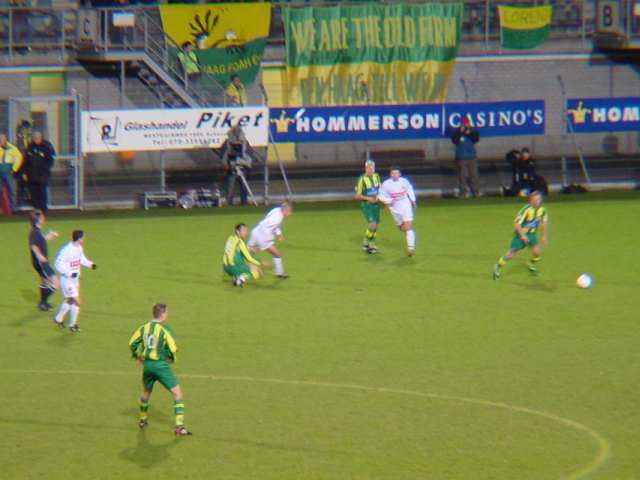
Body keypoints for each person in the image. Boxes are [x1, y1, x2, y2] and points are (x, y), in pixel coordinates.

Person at [128, 303, 192, 436]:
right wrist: (171, 359)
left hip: (147, 365)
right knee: (177, 393)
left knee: (146, 391)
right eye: (167, 313)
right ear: (162, 314)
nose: (167, 315)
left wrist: (137, 356)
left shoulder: (143, 328)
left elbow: (132, 343)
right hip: (160, 366)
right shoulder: (164, 330)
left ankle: (142, 420)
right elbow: (173, 348)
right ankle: (179, 427)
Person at [492, 191, 548, 280]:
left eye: (539, 199)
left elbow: (544, 222)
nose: (538, 201)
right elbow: (516, 223)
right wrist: (522, 235)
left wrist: (544, 236)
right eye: (536, 200)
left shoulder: (542, 210)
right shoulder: (526, 210)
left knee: (537, 253)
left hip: (532, 235)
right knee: (511, 254)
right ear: (531, 201)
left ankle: (531, 264)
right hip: (520, 234)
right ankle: (497, 267)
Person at [53, 230, 97, 332]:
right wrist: (68, 273)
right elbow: (57, 264)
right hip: (67, 280)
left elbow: (81, 259)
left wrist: (90, 264)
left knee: (70, 300)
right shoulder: (67, 250)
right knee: (77, 301)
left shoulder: (79, 248)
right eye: (83, 237)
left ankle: (58, 319)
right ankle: (72, 325)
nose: (84, 239)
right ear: (79, 239)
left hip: (75, 280)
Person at [377, 167, 417, 256]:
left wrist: (413, 201)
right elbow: (381, 196)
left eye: (396, 173)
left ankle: (410, 248)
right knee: (402, 228)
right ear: (390, 174)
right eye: (393, 173)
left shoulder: (404, 182)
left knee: (408, 226)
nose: (395, 175)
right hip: (394, 208)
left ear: (399, 174)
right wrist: (387, 202)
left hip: (406, 205)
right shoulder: (386, 184)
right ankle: (408, 234)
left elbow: (409, 190)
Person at [248, 202, 293, 278]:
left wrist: (278, 234)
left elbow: (269, 223)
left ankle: (239, 265)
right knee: (277, 254)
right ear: (285, 210)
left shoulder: (276, 210)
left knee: (248, 253)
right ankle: (279, 273)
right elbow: (269, 226)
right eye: (289, 211)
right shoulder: (278, 218)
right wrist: (270, 240)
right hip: (262, 237)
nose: (290, 214)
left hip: (255, 232)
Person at [28, 210, 60, 312]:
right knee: (56, 283)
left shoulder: (36, 231)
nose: (43, 218)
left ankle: (43, 303)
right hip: (42, 263)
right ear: (38, 220)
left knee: (44, 281)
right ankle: (42, 302)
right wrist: (39, 255)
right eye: (42, 216)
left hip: (39, 263)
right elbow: (33, 246)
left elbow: (40, 241)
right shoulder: (35, 232)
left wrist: (49, 236)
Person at [21, 131, 56, 212]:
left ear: (41, 138)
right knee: (33, 192)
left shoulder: (46, 147)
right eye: (34, 138)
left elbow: (50, 160)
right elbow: (25, 161)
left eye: (37, 138)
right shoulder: (29, 147)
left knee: (42, 192)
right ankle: (36, 208)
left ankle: (43, 210)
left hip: (42, 175)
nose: (36, 140)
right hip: (31, 174)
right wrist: (24, 173)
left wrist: (45, 169)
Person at [222, 123, 254, 206]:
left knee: (244, 188)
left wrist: (242, 161)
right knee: (230, 188)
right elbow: (223, 155)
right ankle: (229, 204)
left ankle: (244, 203)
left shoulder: (245, 144)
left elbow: (249, 156)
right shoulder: (227, 144)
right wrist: (227, 165)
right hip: (231, 169)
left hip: (243, 168)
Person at [223, 223, 264, 287]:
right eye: (244, 230)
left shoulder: (230, 238)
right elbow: (249, 258)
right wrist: (260, 264)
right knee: (256, 271)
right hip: (233, 267)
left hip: (225, 267)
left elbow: (228, 253)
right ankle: (240, 279)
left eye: (247, 231)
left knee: (248, 265)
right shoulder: (240, 241)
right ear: (237, 231)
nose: (246, 233)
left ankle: (236, 277)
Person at [354, 160, 382, 254]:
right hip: (367, 205)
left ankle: (367, 243)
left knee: (376, 226)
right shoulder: (362, 179)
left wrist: (379, 199)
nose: (370, 169)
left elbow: (380, 190)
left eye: (372, 167)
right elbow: (357, 196)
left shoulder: (377, 176)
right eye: (369, 167)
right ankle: (370, 244)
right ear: (365, 168)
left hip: (376, 205)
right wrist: (368, 198)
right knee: (372, 224)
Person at [450, 116, 480, 198]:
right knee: (462, 177)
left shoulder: (473, 131)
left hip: (471, 157)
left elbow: (476, 139)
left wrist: (468, 132)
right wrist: (461, 132)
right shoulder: (457, 132)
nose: (466, 125)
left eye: (467, 123)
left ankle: (475, 192)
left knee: (473, 175)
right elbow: (454, 140)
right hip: (461, 157)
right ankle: (462, 193)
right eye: (464, 123)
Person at [0, 133, 24, 213]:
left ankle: (13, 208)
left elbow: (19, 158)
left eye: (2, 140)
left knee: (12, 191)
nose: (0, 142)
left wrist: (14, 169)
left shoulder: (12, 148)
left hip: (8, 172)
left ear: (5, 140)